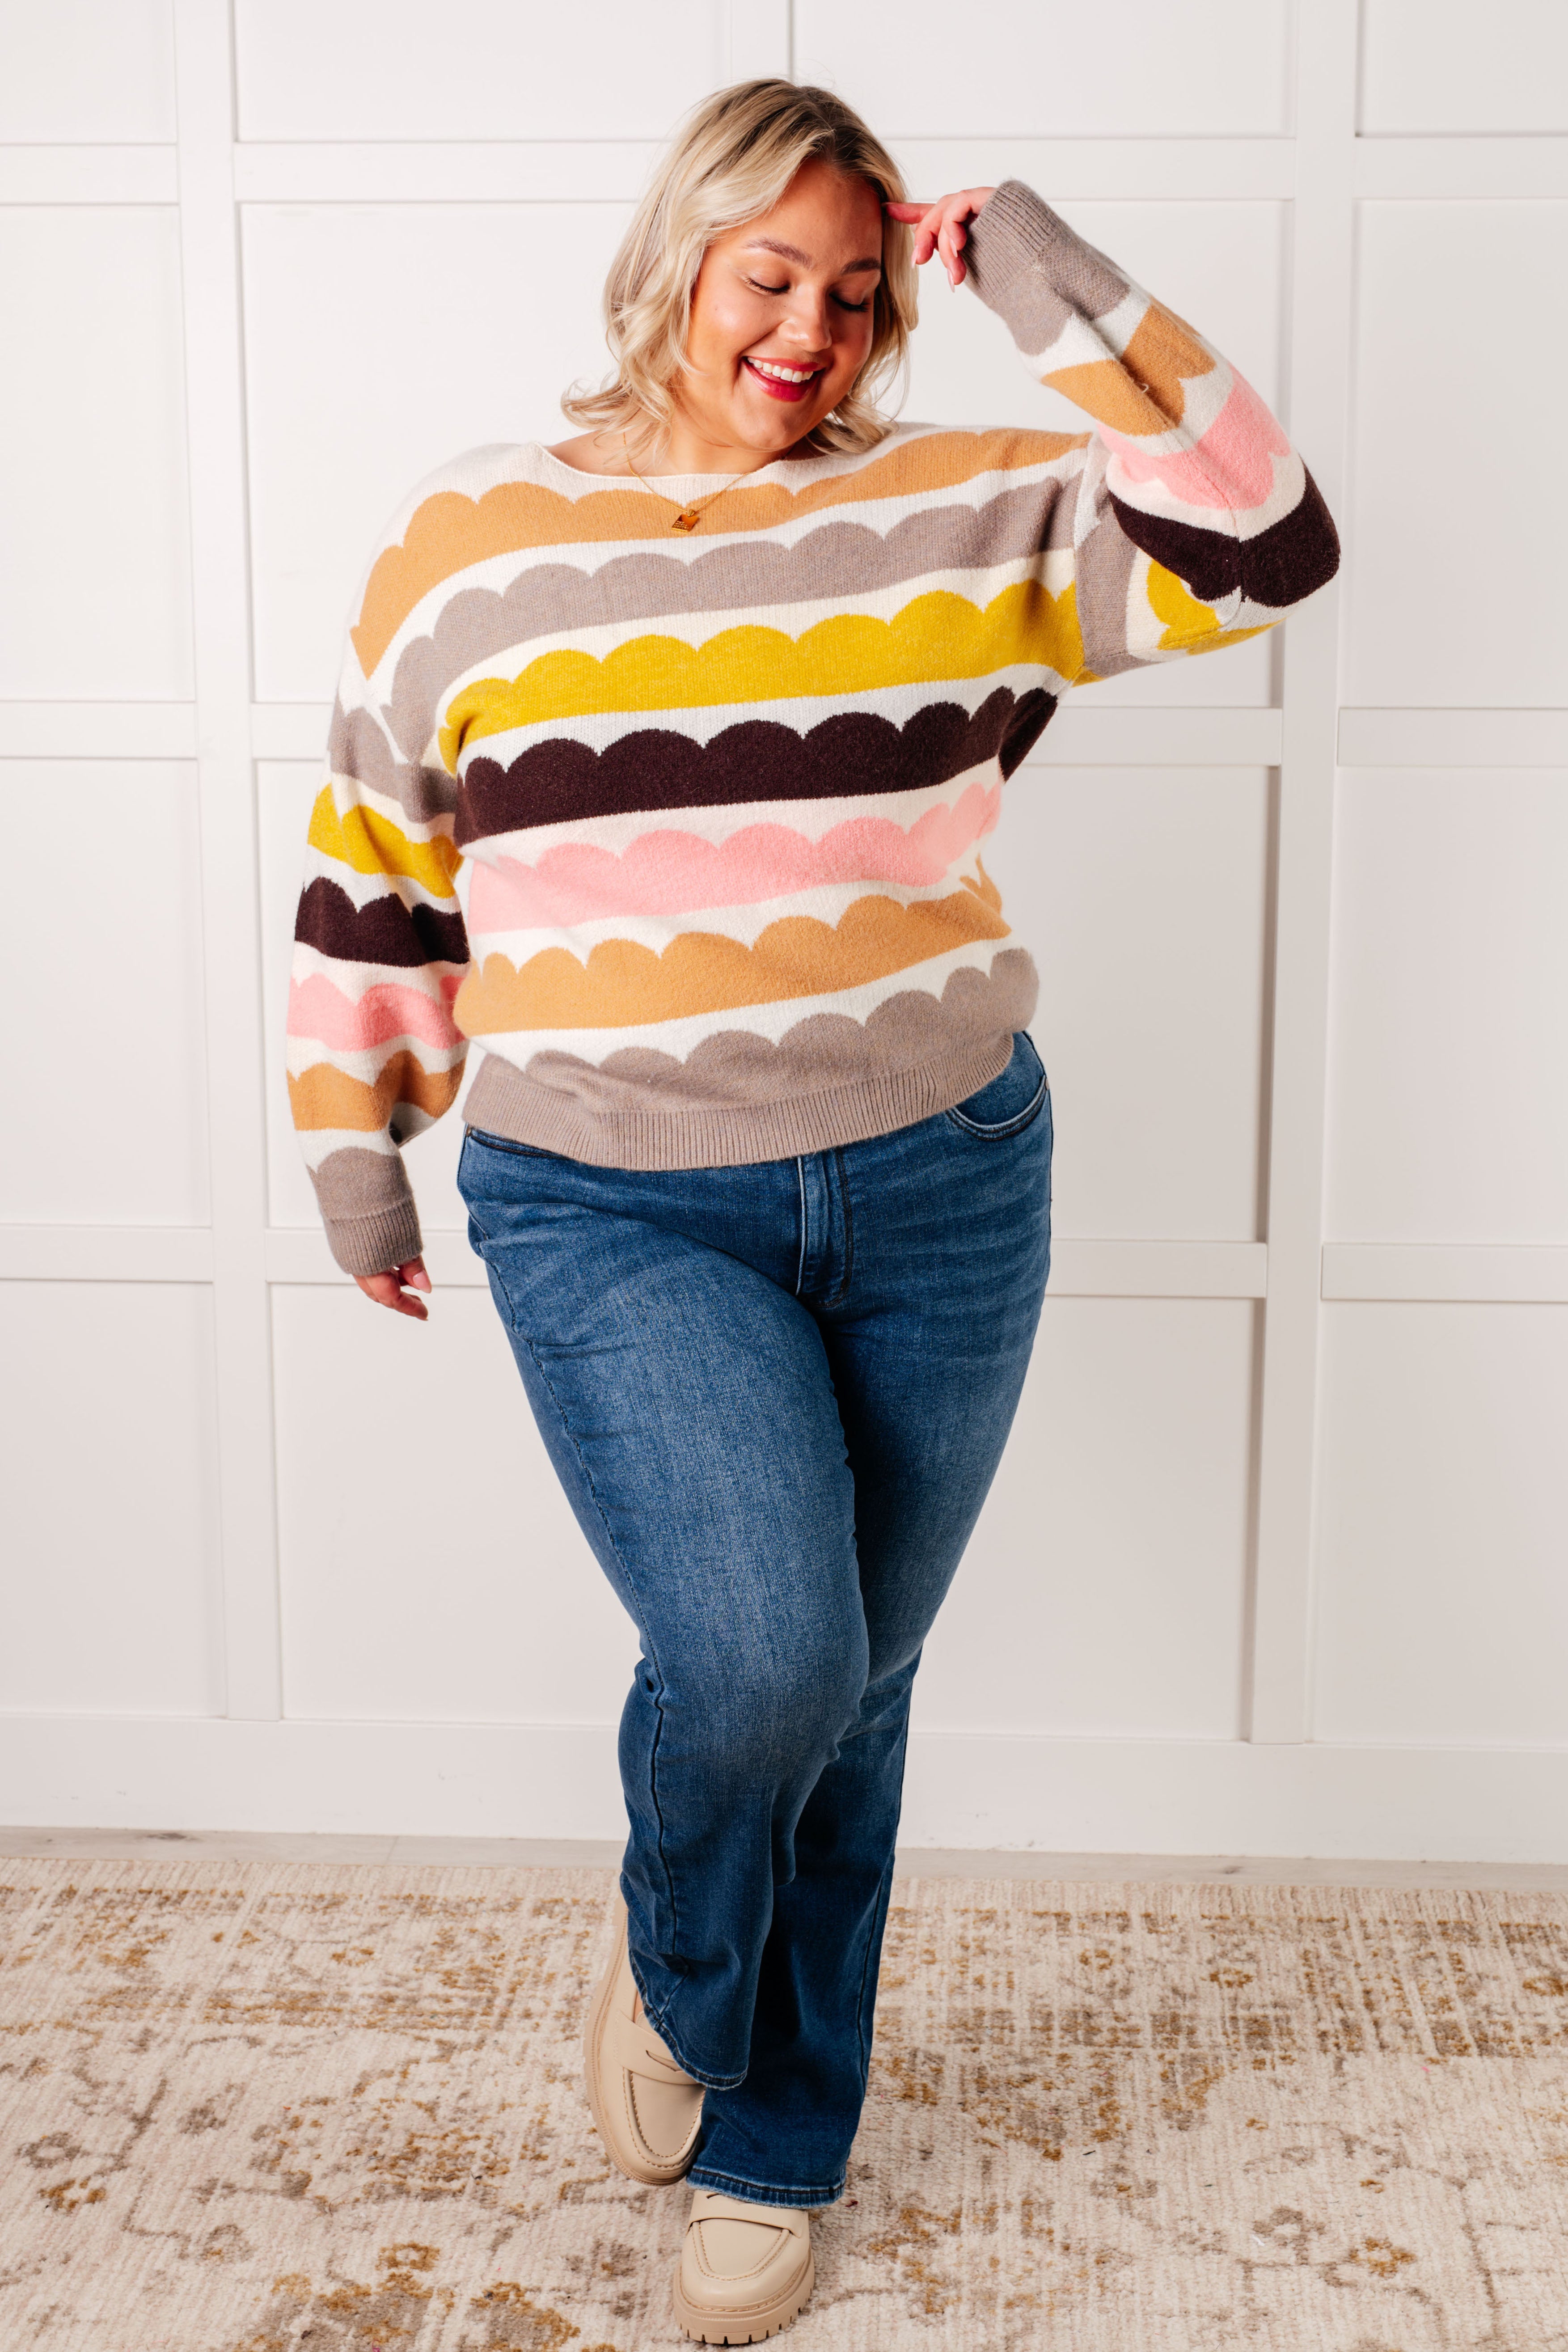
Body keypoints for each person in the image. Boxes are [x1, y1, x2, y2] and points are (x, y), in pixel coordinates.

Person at [286, 77, 1337, 2344]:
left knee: (860, 1691)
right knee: (771, 1656)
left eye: (856, 299)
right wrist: (358, 1133)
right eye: (772, 279)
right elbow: (384, 851)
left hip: (947, 1166)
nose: (812, 337)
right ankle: (685, 1972)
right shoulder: (465, 537)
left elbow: (1267, 541)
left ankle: (779, 2145)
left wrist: (1034, 271)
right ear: (673, 257)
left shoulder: (971, 509)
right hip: (610, 1200)